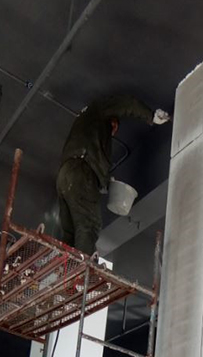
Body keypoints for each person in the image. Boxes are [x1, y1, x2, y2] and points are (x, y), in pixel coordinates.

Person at [56, 95, 170, 255]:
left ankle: (64, 267)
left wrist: (104, 182)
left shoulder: (83, 127)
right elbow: (124, 103)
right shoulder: (98, 109)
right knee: (89, 225)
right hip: (81, 170)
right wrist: (150, 115)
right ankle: (80, 268)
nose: (113, 134)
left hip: (65, 176)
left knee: (70, 231)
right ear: (113, 121)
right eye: (114, 129)